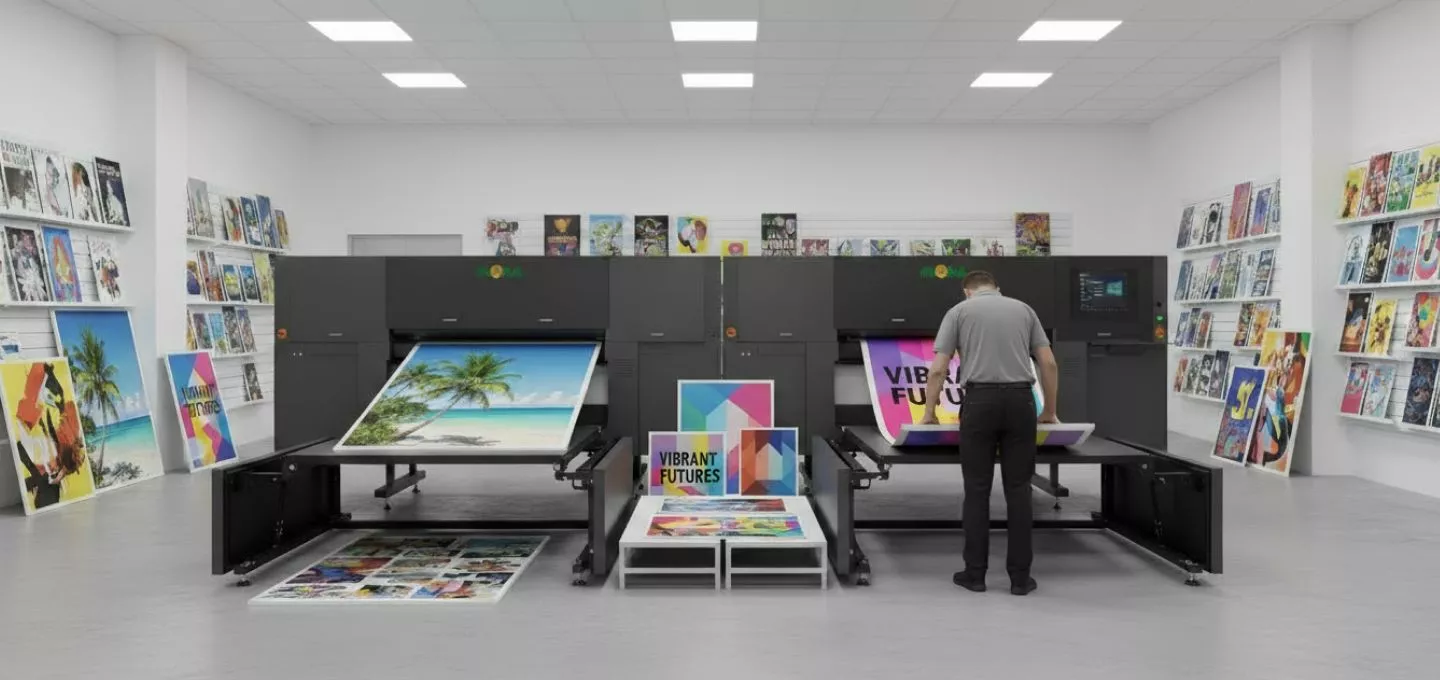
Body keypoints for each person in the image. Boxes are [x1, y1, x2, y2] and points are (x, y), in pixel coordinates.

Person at [920, 270, 1059, 596]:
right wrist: (1049, 411)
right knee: (1019, 490)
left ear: (967, 291)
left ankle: (975, 575)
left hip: (980, 402)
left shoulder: (958, 312)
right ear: (997, 288)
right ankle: (1020, 579)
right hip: (1021, 401)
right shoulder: (1025, 310)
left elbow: (939, 368)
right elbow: (1048, 363)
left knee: (977, 489)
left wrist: (929, 413)